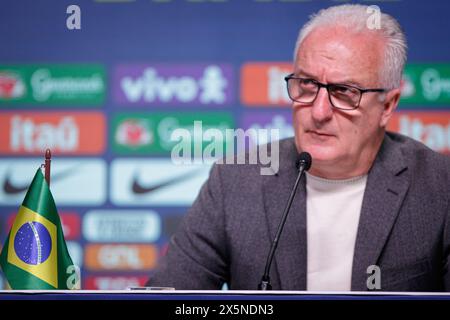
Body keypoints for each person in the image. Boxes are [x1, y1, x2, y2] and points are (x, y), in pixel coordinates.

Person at [147, 4, 450, 291]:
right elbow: (171, 298)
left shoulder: (440, 187)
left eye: (344, 92)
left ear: (387, 105)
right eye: (306, 85)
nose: (318, 112)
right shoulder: (235, 182)